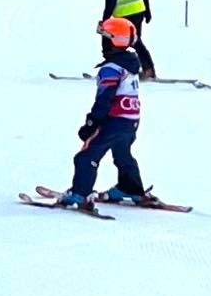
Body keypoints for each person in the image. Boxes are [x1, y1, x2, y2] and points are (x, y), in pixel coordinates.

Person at [60, 21, 151, 208]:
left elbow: (104, 100)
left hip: (114, 120)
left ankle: (80, 193)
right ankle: (130, 187)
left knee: (86, 156)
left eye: (105, 38)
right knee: (122, 153)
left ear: (112, 42)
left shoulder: (111, 69)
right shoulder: (130, 65)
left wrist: (91, 124)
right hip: (131, 121)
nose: (102, 43)